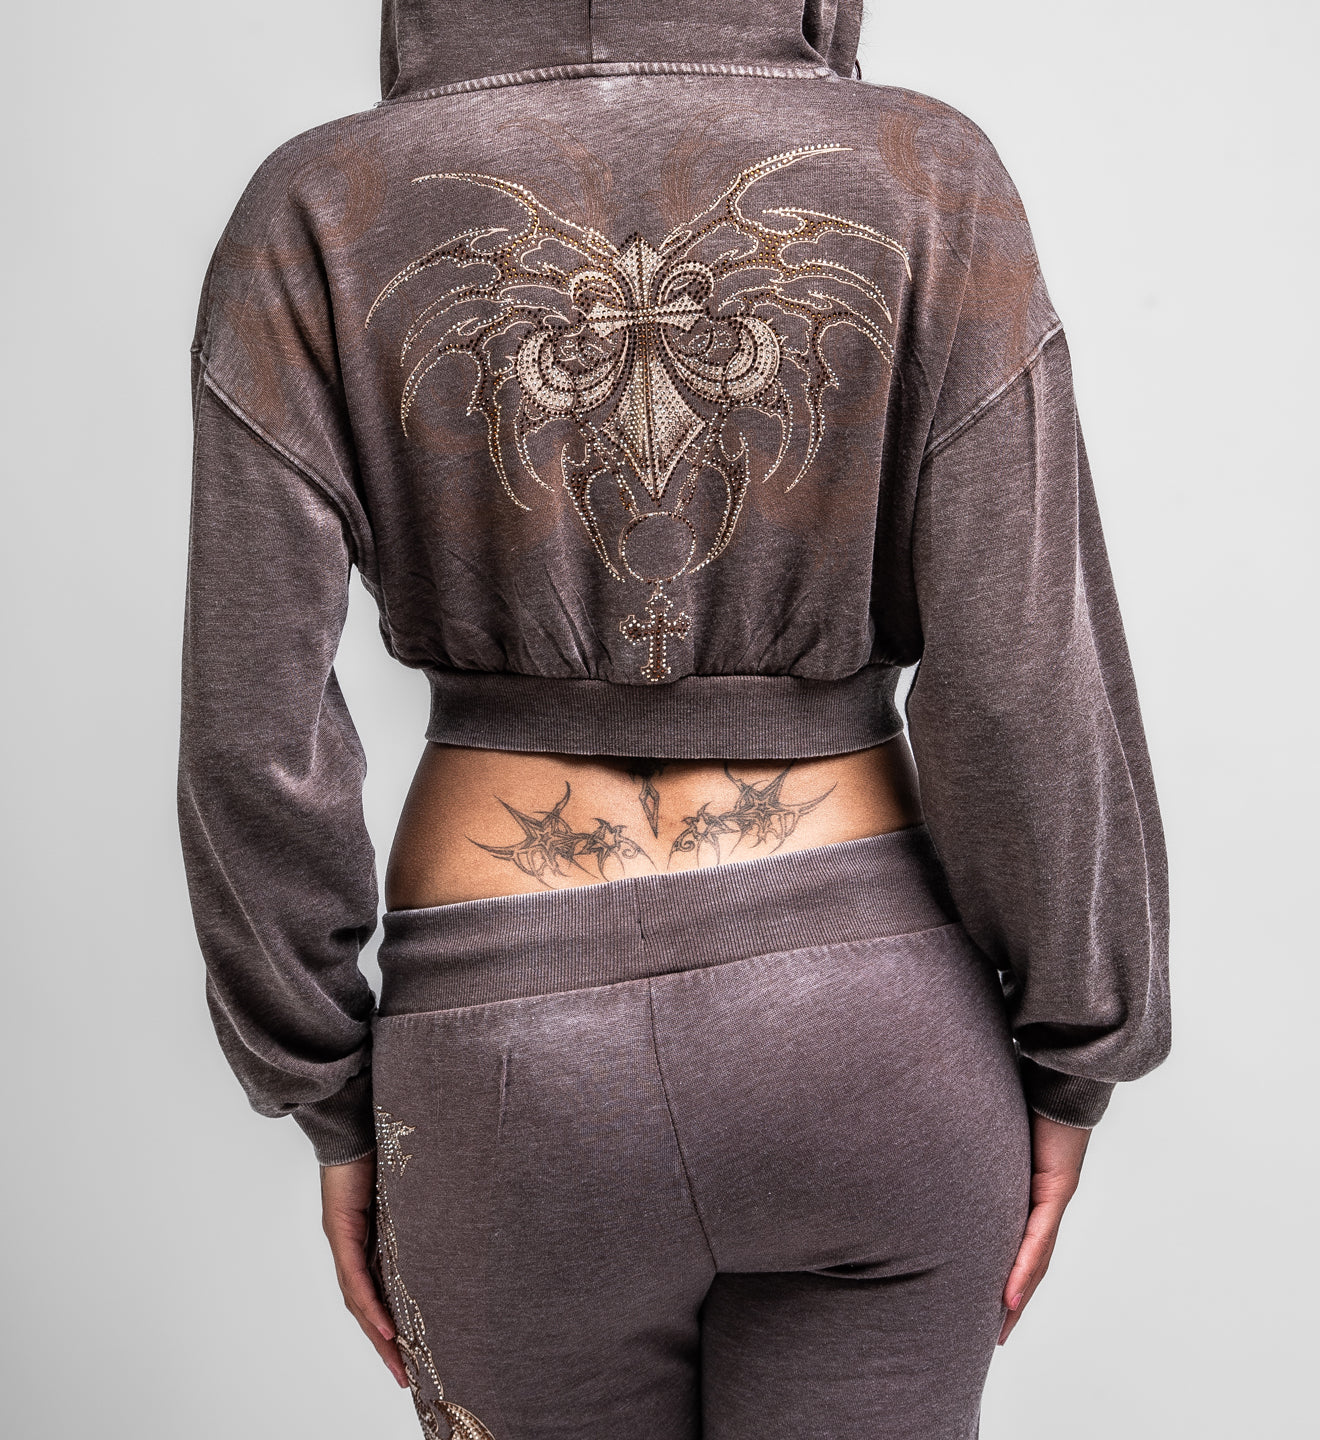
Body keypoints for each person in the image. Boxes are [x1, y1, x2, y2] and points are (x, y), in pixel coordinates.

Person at [178, 2, 1170, 1435]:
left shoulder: (317, 206)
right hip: (868, 1035)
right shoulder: (928, 174)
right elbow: (1020, 682)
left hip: (505, 1062)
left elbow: (250, 732)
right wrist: (1079, 1049)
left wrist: (325, 1090)